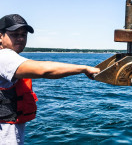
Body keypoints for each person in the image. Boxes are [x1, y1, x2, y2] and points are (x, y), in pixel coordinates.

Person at [0, 14, 100, 145]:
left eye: (23, 35)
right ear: (1, 36)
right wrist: (85, 68)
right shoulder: (5, 56)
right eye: (14, 34)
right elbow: (44, 70)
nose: (20, 38)